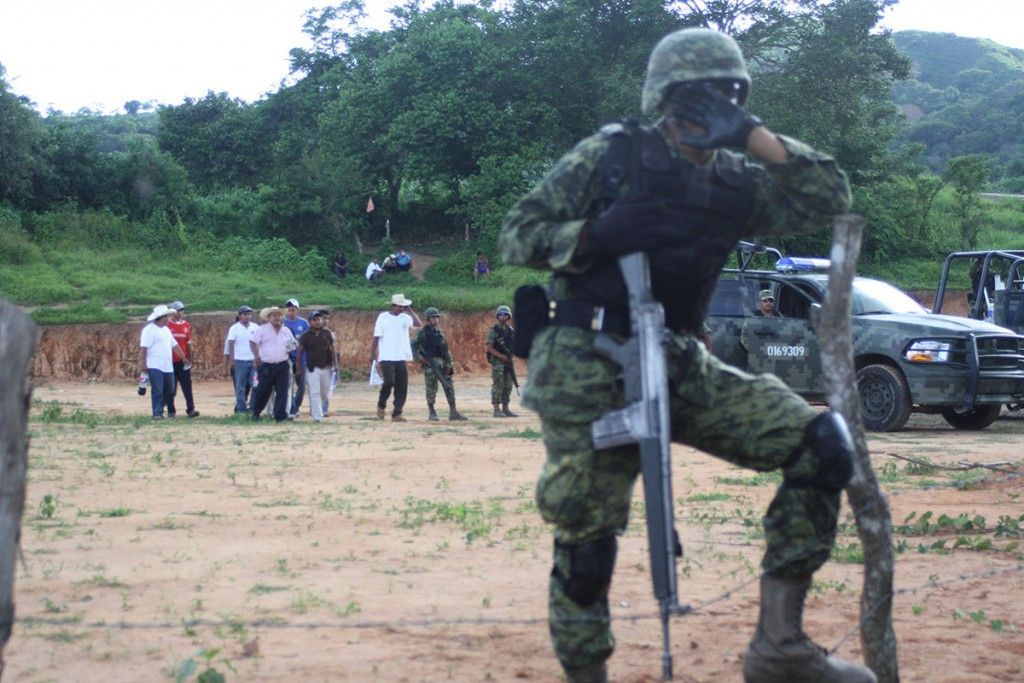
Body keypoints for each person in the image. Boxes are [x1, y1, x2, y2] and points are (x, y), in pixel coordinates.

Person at [499, 28, 868, 683]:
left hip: (677, 354)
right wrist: (594, 234)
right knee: (586, 538)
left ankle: (778, 647)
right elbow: (518, 233)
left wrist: (751, 134)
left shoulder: (736, 181)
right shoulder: (613, 155)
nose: (703, 112)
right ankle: (586, 673)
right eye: (692, 99)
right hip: (588, 355)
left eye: (724, 98)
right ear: (663, 100)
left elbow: (829, 195)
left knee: (822, 443)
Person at [411, 307, 467, 421]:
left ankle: (453, 412)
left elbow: (446, 350)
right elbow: (413, 345)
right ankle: (432, 412)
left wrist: (449, 365)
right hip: (430, 364)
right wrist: (420, 359)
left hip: (442, 364)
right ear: (428, 319)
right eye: (433, 317)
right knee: (431, 388)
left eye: (437, 317)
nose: (435, 319)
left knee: (449, 386)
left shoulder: (440, 332)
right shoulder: (422, 332)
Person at [370, 293, 421, 421]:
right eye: (399, 306)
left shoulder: (405, 318)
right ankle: (381, 405)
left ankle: (397, 413)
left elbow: (418, 324)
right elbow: (376, 337)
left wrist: (410, 310)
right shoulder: (383, 317)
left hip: (401, 356)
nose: (401, 309)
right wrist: (373, 355)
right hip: (386, 356)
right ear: (393, 306)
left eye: (403, 306)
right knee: (389, 382)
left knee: (402, 385)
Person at [249, 307, 296, 422]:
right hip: (266, 366)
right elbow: (252, 342)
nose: (277, 317)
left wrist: (289, 348)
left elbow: (293, 345)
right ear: (269, 318)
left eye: (279, 315)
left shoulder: (286, 331)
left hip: (282, 365)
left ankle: (280, 416)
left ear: (282, 317)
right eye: (273, 315)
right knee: (263, 390)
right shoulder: (262, 329)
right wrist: (256, 356)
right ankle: (255, 413)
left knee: (282, 391)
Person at [139, 304, 185, 420]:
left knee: (170, 390)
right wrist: (143, 364)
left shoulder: (166, 330)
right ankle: (157, 413)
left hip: (167, 366)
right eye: (167, 317)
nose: (169, 319)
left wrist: (184, 358)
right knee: (158, 390)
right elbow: (144, 348)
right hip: (154, 365)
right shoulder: (149, 330)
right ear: (162, 317)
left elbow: (174, 346)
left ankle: (161, 409)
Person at [296, 311, 335, 423]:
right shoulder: (305, 336)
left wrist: (334, 365)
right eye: (314, 320)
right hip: (312, 368)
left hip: (326, 367)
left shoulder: (327, 333)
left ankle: (316, 408)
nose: (317, 322)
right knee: (314, 392)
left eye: (319, 319)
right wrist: (299, 367)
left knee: (325, 391)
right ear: (310, 322)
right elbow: (300, 352)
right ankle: (317, 416)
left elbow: (332, 349)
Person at [166, 301, 199, 418]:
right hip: (170, 361)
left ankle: (191, 409)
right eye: (178, 311)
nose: (181, 313)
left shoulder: (186, 325)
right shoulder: (167, 325)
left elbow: (188, 342)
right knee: (171, 387)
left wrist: (190, 357)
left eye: (182, 310)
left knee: (187, 385)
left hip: (183, 360)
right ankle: (171, 411)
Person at [485, 305, 517, 418]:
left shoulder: (511, 330)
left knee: (508, 385)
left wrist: (511, 357)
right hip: (498, 361)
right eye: (500, 314)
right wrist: (501, 356)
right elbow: (489, 347)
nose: (503, 317)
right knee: (498, 384)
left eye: (505, 315)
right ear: (497, 316)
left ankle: (506, 408)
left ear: (508, 316)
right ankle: (496, 409)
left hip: (508, 361)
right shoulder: (494, 331)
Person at [225, 305, 257, 414]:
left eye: (249, 314)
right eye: (244, 314)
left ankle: (252, 408)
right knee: (240, 387)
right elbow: (231, 344)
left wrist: (258, 358)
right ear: (240, 316)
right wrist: (232, 360)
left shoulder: (255, 327)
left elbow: (259, 344)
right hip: (240, 361)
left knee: (255, 385)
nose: (247, 316)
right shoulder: (234, 328)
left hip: (253, 361)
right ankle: (241, 410)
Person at [283, 299, 309, 419]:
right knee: (289, 383)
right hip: (288, 357)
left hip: (302, 358)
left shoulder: (304, 323)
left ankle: (295, 405)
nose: (290, 312)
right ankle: (292, 408)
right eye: (289, 309)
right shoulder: (283, 323)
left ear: (297, 310)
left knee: (302, 385)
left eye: (293, 309)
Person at [318, 309, 341, 416]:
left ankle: (324, 409)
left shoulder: (330, 334)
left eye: (327, 319)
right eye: (324, 318)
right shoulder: (313, 332)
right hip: (315, 364)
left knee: (326, 387)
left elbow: (334, 349)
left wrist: (335, 364)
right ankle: (317, 408)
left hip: (327, 364)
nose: (326, 321)